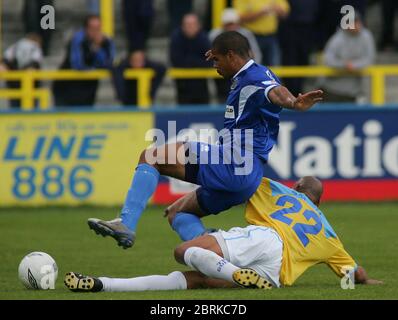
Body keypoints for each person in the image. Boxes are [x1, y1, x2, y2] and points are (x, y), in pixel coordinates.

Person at [87, 31, 323, 251]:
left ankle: (125, 223)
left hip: (234, 162)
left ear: (231, 56)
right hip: (248, 178)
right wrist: (218, 49)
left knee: (151, 157)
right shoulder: (255, 72)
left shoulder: (254, 79)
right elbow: (268, 86)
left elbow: (274, 91)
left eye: (217, 60)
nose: (214, 65)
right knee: (178, 214)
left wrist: (293, 103)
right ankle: (216, 257)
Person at [65, 177, 382, 292]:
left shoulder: (278, 190)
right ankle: (102, 285)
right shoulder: (330, 236)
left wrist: (182, 203)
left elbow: (231, 185)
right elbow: (354, 273)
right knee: (193, 280)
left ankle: (235, 271)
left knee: (183, 251)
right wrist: (366, 281)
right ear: (319, 202)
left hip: (266, 239)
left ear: (297, 188)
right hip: (274, 275)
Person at [52, 15, 115, 107]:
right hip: (67, 85)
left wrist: (97, 49)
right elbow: (78, 64)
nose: (95, 31)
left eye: (98, 28)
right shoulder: (77, 39)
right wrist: (93, 51)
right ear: (86, 28)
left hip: (89, 86)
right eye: (92, 28)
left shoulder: (106, 41)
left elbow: (108, 64)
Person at [209, 8, 263, 103]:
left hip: (244, 75)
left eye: (232, 24)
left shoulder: (246, 34)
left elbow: (256, 54)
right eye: (228, 24)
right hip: (223, 75)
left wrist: (251, 71)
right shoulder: (214, 34)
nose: (231, 27)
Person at [321, 13, 375, 103]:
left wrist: (354, 65)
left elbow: (369, 59)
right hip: (333, 90)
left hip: (354, 91)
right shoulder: (337, 38)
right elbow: (327, 59)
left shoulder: (366, 36)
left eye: (356, 22)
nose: (355, 25)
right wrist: (344, 65)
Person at [278, 0, 320, 96]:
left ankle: (300, 91)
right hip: (289, 29)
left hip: (309, 29)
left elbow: (319, 12)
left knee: (304, 59)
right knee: (290, 60)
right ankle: (291, 92)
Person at [170, 13, 212, 105]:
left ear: (198, 26)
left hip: (201, 85)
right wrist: (197, 62)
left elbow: (210, 60)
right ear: (182, 26)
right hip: (182, 85)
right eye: (187, 25)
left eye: (193, 25)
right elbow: (176, 60)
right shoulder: (176, 38)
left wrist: (190, 62)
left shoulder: (203, 38)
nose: (190, 27)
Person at [233, 0, 290, 66]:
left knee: (274, 65)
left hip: (272, 36)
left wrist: (277, 9)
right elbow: (239, 18)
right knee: (253, 64)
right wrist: (261, 12)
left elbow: (285, 14)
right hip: (251, 37)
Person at [0, 33, 43, 108]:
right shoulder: (35, 46)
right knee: (31, 111)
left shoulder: (16, 45)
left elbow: (3, 65)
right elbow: (34, 65)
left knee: (15, 109)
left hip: (14, 83)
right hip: (29, 84)